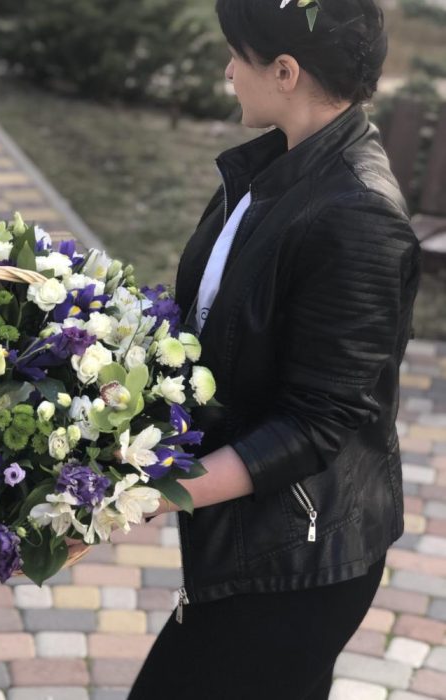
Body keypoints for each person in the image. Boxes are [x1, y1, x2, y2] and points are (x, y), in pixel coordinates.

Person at [126, 0, 422, 698]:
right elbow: (215, 328)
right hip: (258, 537)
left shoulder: (357, 216)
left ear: (286, 72)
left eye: (239, 56)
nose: (229, 72)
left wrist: (143, 495)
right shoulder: (272, 168)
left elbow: (319, 421)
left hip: (299, 558)